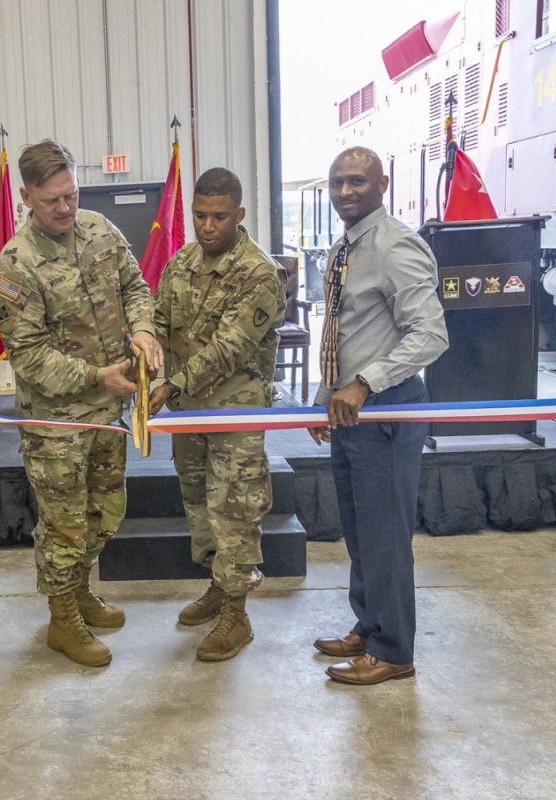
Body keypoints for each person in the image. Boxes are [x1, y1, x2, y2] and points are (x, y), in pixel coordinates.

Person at [0, 139, 162, 667]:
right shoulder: (16, 265)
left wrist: (142, 328)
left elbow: (135, 284)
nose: (65, 208)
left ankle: (82, 590)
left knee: (103, 512)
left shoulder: (99, 230)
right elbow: (29, 357)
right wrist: (96, 377)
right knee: (64, 525)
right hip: (57, 425)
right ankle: (62, 618)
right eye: (52, 201)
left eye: (71, 194)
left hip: (109, 416)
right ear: (26, 197)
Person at [309, 146, 448, 685]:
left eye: (358, 182)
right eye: (338, 182)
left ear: (382, 184)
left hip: (386, 408)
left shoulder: (394, 246)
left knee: (386, 534)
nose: (346, 192)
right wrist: (329, 395)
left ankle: (393, 652)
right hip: (351, 408)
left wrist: (364, 385)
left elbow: (431, 334)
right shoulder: (345, 247)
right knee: (362, 529)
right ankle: (369, 625)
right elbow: (344, 333)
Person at [148, 168, 286, 661]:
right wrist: (142, 346)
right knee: (200, 505)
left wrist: (172, 383)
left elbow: (229, 349)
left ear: (240, 215)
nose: (207, 226)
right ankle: (218, 586)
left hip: (234, 414)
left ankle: (237, 614)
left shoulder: (259, 273)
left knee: (236, 509)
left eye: (219, 217)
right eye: (201, 216)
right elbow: (159, 317)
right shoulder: (181, 262)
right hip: (189, 415)